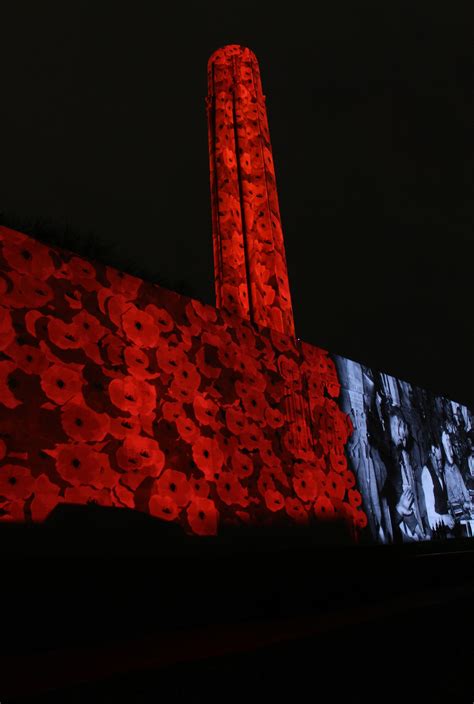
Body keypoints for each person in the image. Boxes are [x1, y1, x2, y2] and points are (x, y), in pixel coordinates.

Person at [387, 405, 425, 542]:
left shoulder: (399, 457)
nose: (401, 433)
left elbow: (404, 501)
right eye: (397, 425)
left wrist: (418, 531)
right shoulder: (387, 458)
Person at [421, 442, 455, 533]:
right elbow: (430, 512)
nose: (440, 464)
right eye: (437, 460)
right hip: (436, 530)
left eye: (441, 460)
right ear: (430, 456)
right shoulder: (426, 473)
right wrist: (445, 519)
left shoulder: (440, 470)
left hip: (445, 526)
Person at [441, 429, 472, 522]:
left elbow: (463, 488)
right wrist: (464, 503)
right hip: (456, 509)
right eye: (448, 448)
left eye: (451, 447)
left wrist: (469, 501)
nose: (451, 452)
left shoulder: (455, 467)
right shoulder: (445, 472)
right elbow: (451, 498)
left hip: (464, 506)